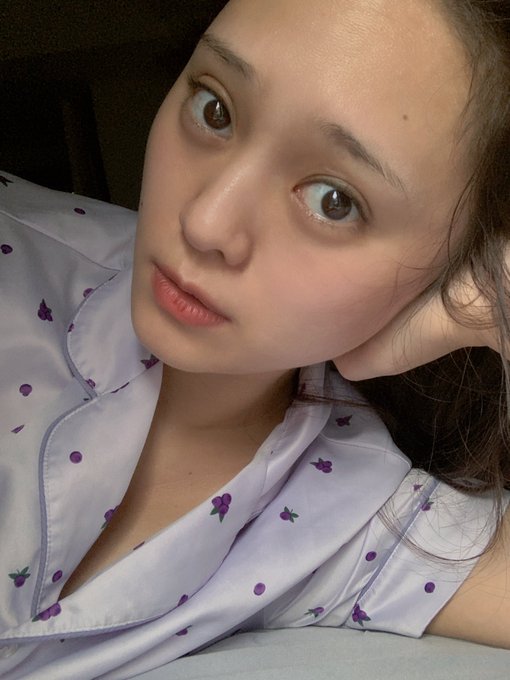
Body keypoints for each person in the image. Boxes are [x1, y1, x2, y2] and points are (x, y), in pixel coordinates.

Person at [0, 0, 509, 677]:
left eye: (333, 201)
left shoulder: (346, 513)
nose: (206, 223)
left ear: (461, 264)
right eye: (214, 109)